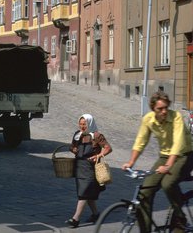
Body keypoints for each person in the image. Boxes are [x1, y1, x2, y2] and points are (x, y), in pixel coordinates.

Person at [122, 91, 193, 233]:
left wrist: (168, 165)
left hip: (186, 155)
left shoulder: (176, 117)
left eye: (166, 107)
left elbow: (178, 143)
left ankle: (180, 218)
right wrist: (131, 162)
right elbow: (140, 141)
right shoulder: (148, 119)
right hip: (165, 156)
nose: (164, 111)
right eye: (160, 109)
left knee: (167, 183)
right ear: (153, 109)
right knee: (145, 192)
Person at [66, 113, 112, 228]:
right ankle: (96, 214)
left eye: (84, 124)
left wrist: (99, 155)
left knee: (84, 193)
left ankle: (75, 218)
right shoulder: (77, 135)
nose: (82, 126)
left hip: (90, 168)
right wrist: (73, 149)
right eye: (80, 124)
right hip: (79, 167)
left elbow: (108, 148)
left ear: (89, 123)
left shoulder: (96, 136)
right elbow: (71, 147)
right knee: (87, 194)